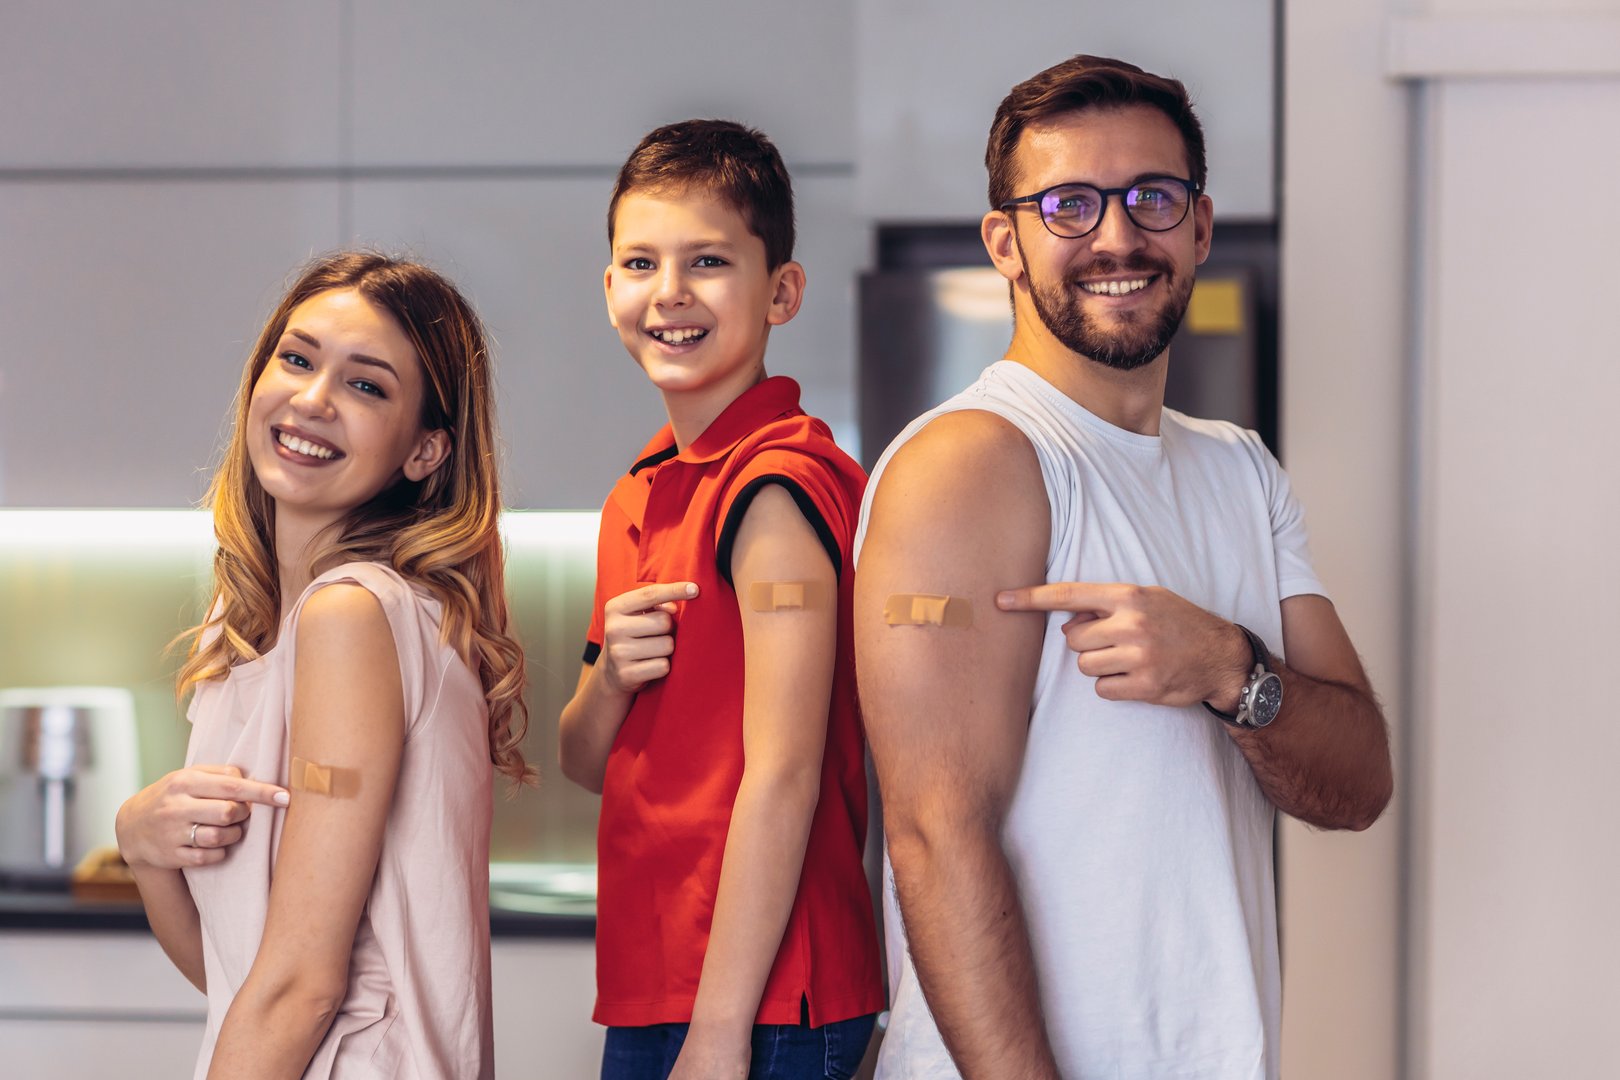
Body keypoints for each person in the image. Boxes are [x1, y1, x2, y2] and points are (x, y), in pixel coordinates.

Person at [852, 56, 1394, 1079]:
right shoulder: (970, 463)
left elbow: (1359, 782)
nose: (1116, 236)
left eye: (1152, 197)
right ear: (1004, 243)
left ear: (1198, 226)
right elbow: (935, 838)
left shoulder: (1239, 470)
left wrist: (1234, 671)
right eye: (1069, 205)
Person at [114, 251, 530, 1080]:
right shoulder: (252, 631)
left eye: (367, 386)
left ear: (425, 451)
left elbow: (302, 990)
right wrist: (140, 843)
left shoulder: (353, 615)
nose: (312, 400)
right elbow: (241, 978)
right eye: (297, 359)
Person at [558, 119, 883, 1080]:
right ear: (609, 286)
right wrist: (611, 677)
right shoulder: (645, 488)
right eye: (641, 262)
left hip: (768, 1000)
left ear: (780, 290)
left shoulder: (775, 487)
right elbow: (585, 760)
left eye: (708, 261)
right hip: (661, 982)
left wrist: (720, 1029)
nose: (670, 293)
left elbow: (784, 774)